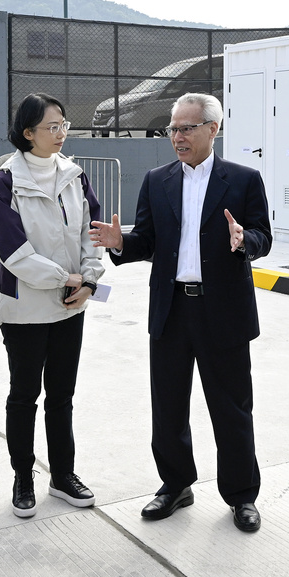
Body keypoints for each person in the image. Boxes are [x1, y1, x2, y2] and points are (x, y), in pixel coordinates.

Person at [90, 92, 272, 532]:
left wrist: (243, 240)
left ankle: (241, 496)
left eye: (187, 128)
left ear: (213, 129)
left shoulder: (243, 179)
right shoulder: (158, 180)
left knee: (231, 409)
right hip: (171, 308)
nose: (177, 137)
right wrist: (121, 243)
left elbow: (262, 237)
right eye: (173, 129)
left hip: (222, 309)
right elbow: (147, 241)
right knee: (168, 406)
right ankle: (175, 485)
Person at [0, 93, 104, 518]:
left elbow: (92, 232)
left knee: (62, 394)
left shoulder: (74, 175)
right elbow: (10, 249)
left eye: (63, 125)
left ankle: (63, 475)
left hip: (72, 304)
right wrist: (65, 278)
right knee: (24, 395)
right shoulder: (6, 180)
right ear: (27, 133)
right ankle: (23, 476)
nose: (60, 134)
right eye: (51, 127)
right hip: (25, 307)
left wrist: (89, 279)